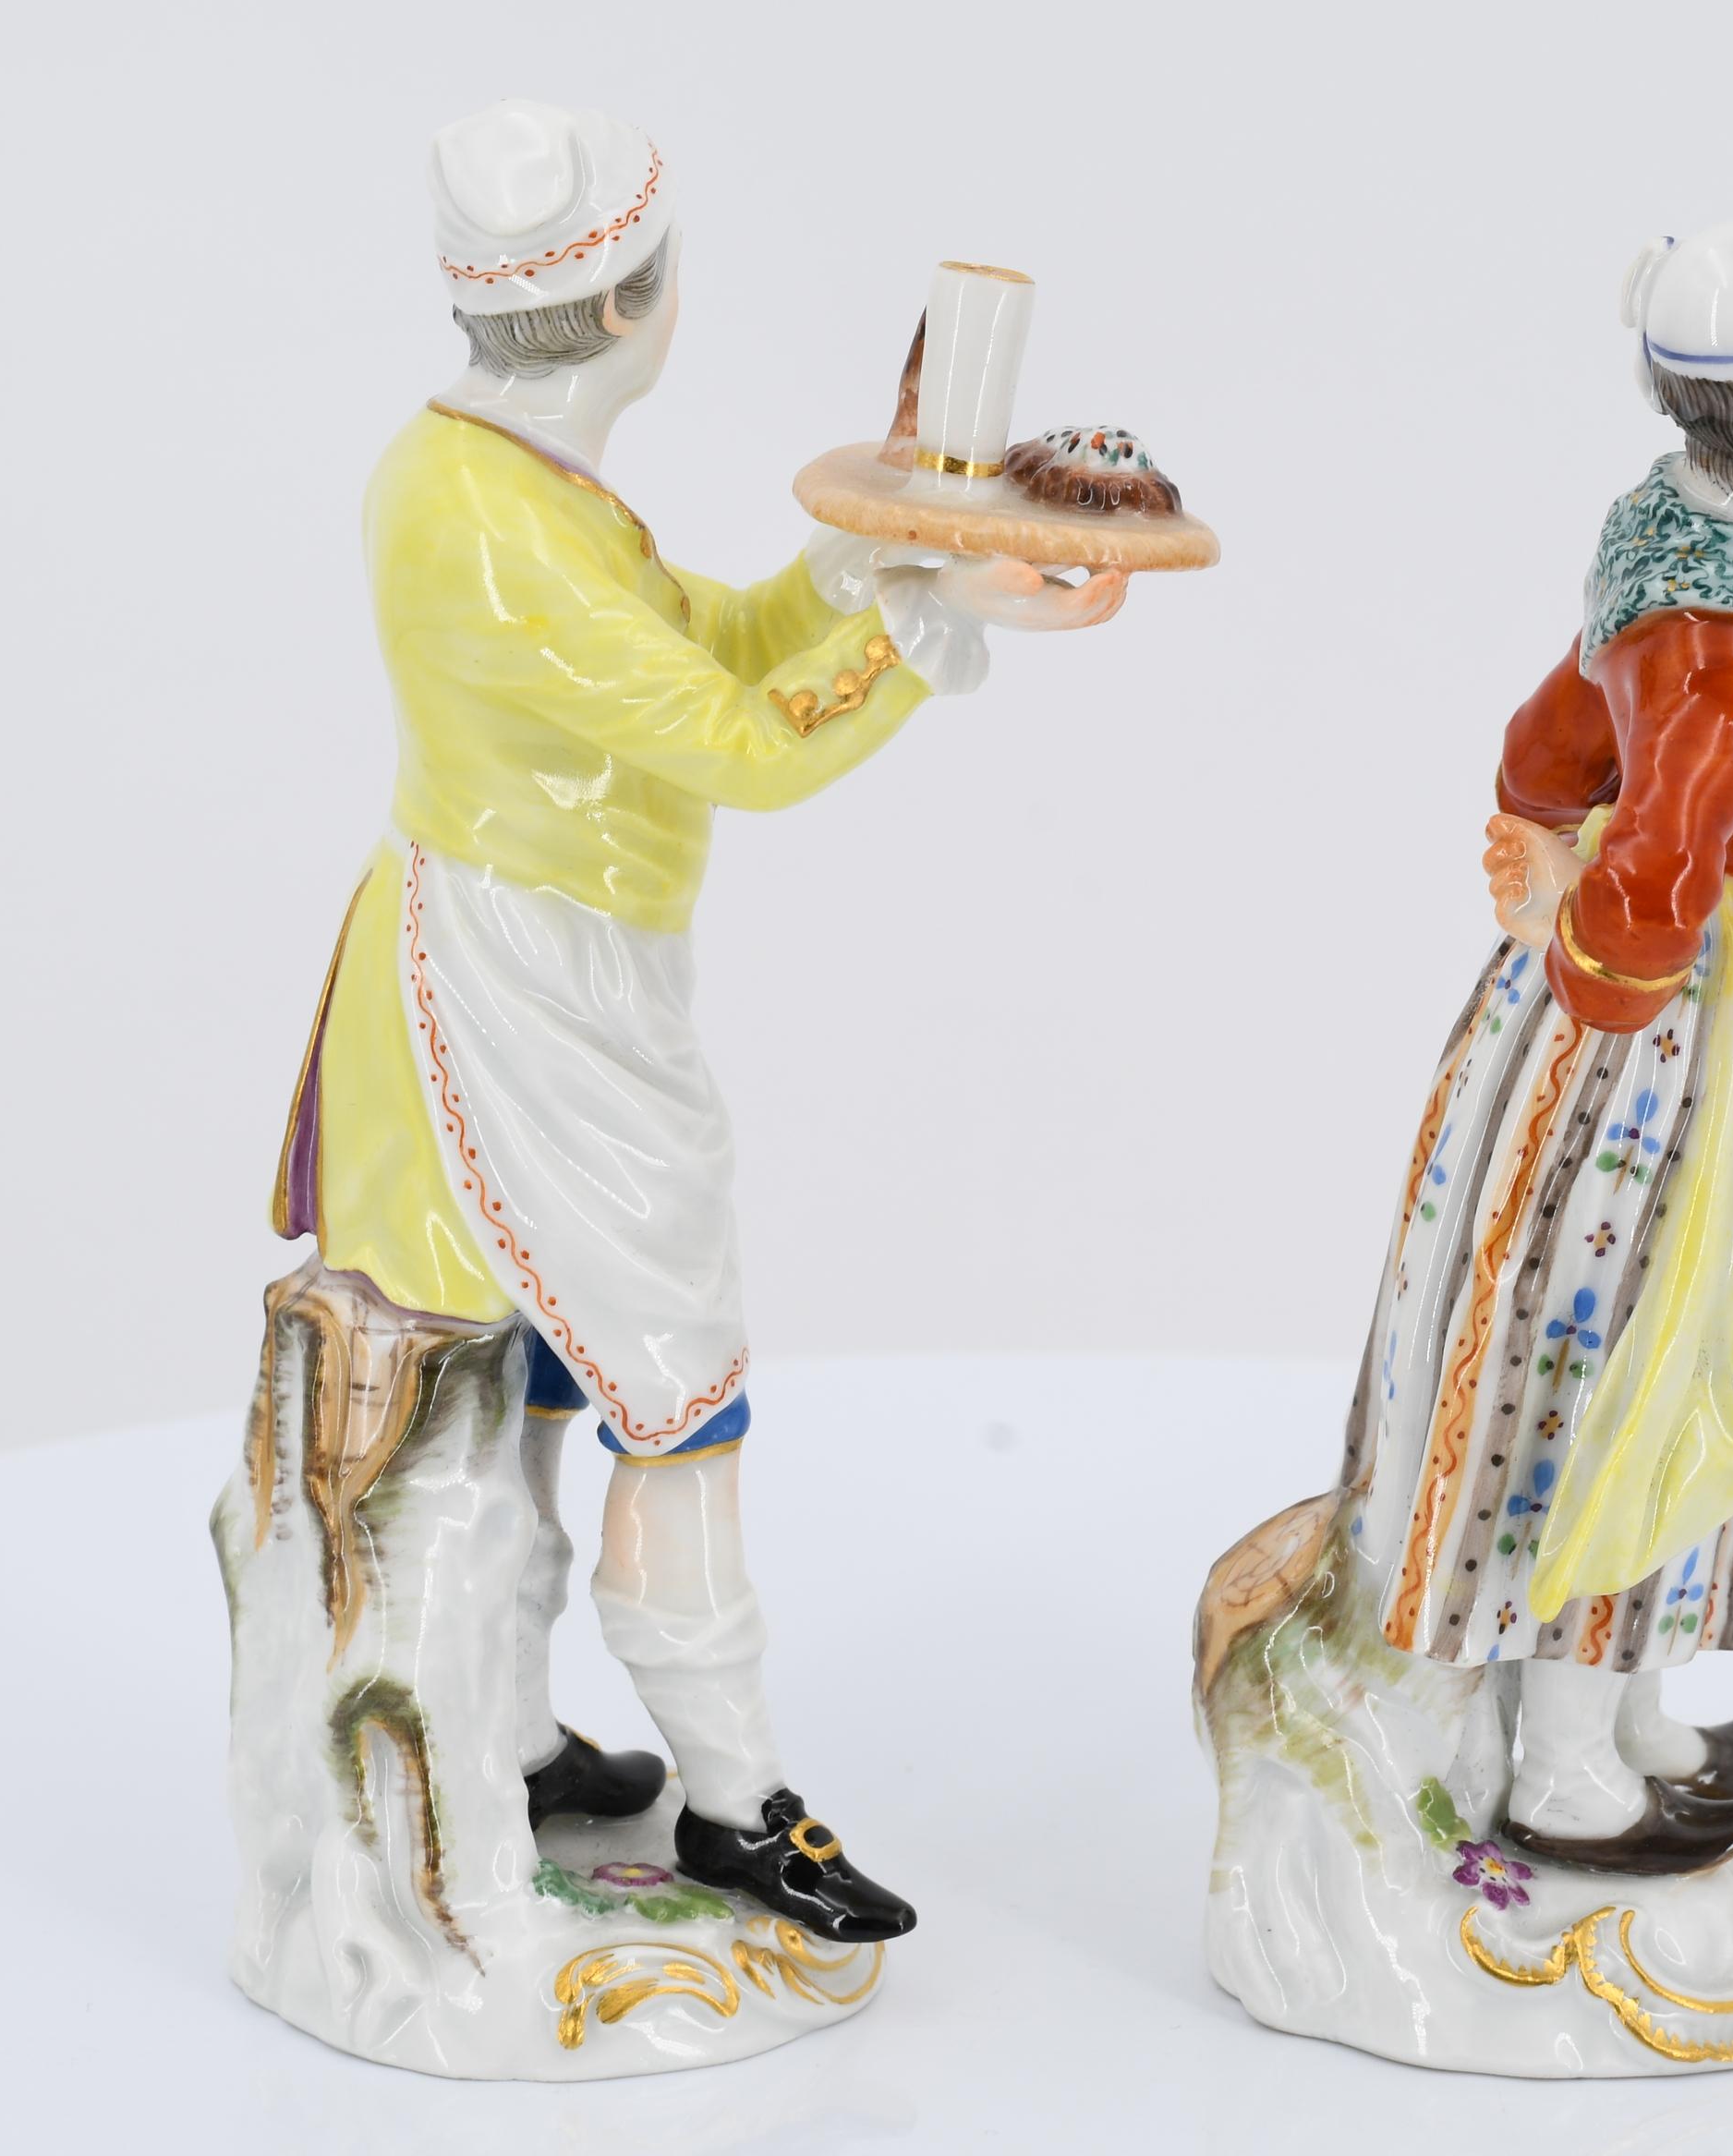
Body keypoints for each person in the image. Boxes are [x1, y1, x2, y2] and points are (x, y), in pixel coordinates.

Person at [261, 100, 1121, 1941]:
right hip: (521, 983)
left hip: (552, 958)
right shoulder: (482, 522)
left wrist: (882, 563)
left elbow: (700, 646)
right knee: (675, 1392)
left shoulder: (494, 477)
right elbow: (735, 741)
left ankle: (502, 1735)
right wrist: (929, 617)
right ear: (631, 305)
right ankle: (734, 1802)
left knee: (533, 1377)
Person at [1339, 212, 1733, 1875]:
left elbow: (1549, 742)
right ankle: (1566, 1765)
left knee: (1695, 1375)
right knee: (1632, 1372)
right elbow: (1652, 894)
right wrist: (1593, 951)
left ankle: (1636, 1710)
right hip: (1673, 1055)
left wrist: (1544, 844)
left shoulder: (1674, 542)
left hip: (1664, 1017)